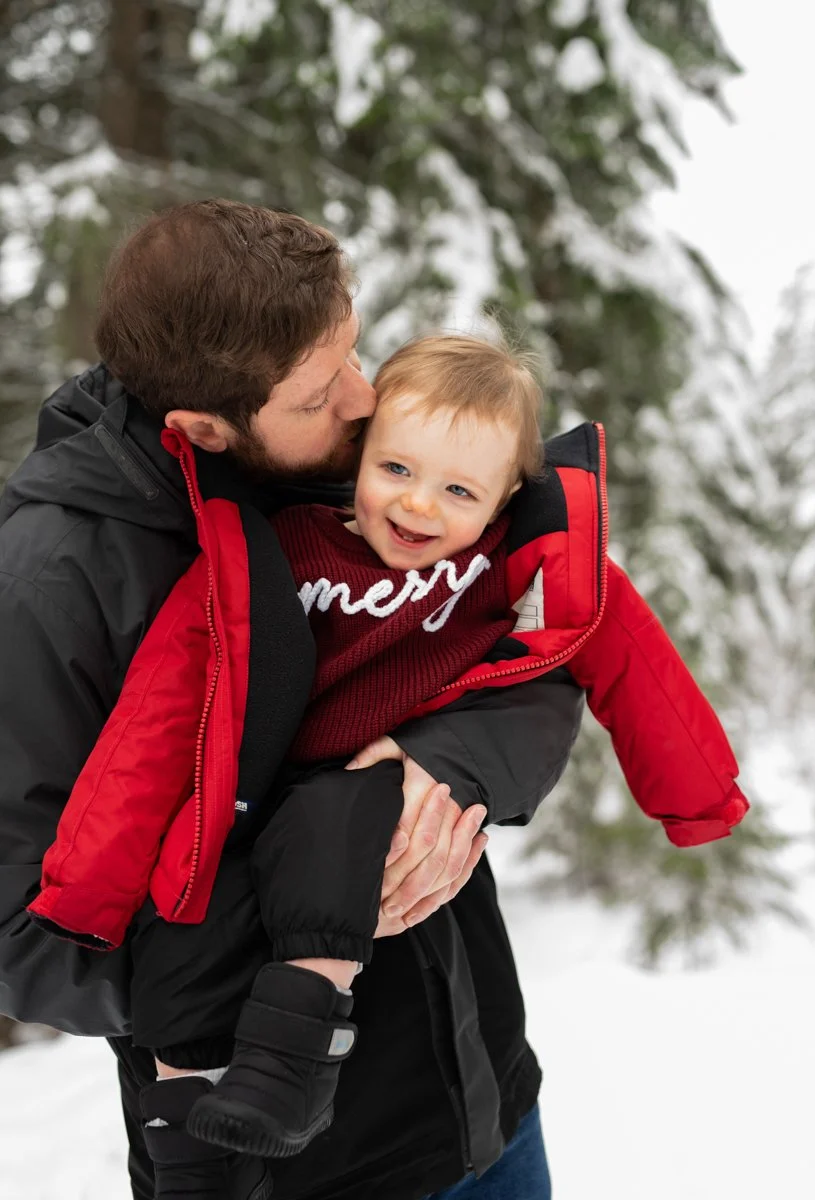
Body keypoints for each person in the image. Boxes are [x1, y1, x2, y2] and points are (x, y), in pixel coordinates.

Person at [27, 329, 748, 1199]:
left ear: (503, 499)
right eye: (396, 472)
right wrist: (90, 890)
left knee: (342, 816)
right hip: (243, 826)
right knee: (187, 920)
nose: (417, 509)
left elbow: (629, 662)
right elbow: (162, 709)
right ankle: (190, 1155)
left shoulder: (502, 571)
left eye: (457, 490)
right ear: (359, 454)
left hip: (430, 985)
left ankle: (294, 1052)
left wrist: (697, 800)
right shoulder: (278, 540)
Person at [0, 199, 587, 1200]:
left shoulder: (360, 466)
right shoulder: (51, 583)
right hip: (281, 1164)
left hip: (479, 1098)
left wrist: (438, 774)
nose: (364, 401)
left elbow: (530, 656)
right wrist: (306, 900)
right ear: (202, 426)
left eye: (351, 354)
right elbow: (26, 940)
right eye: (322, 391)